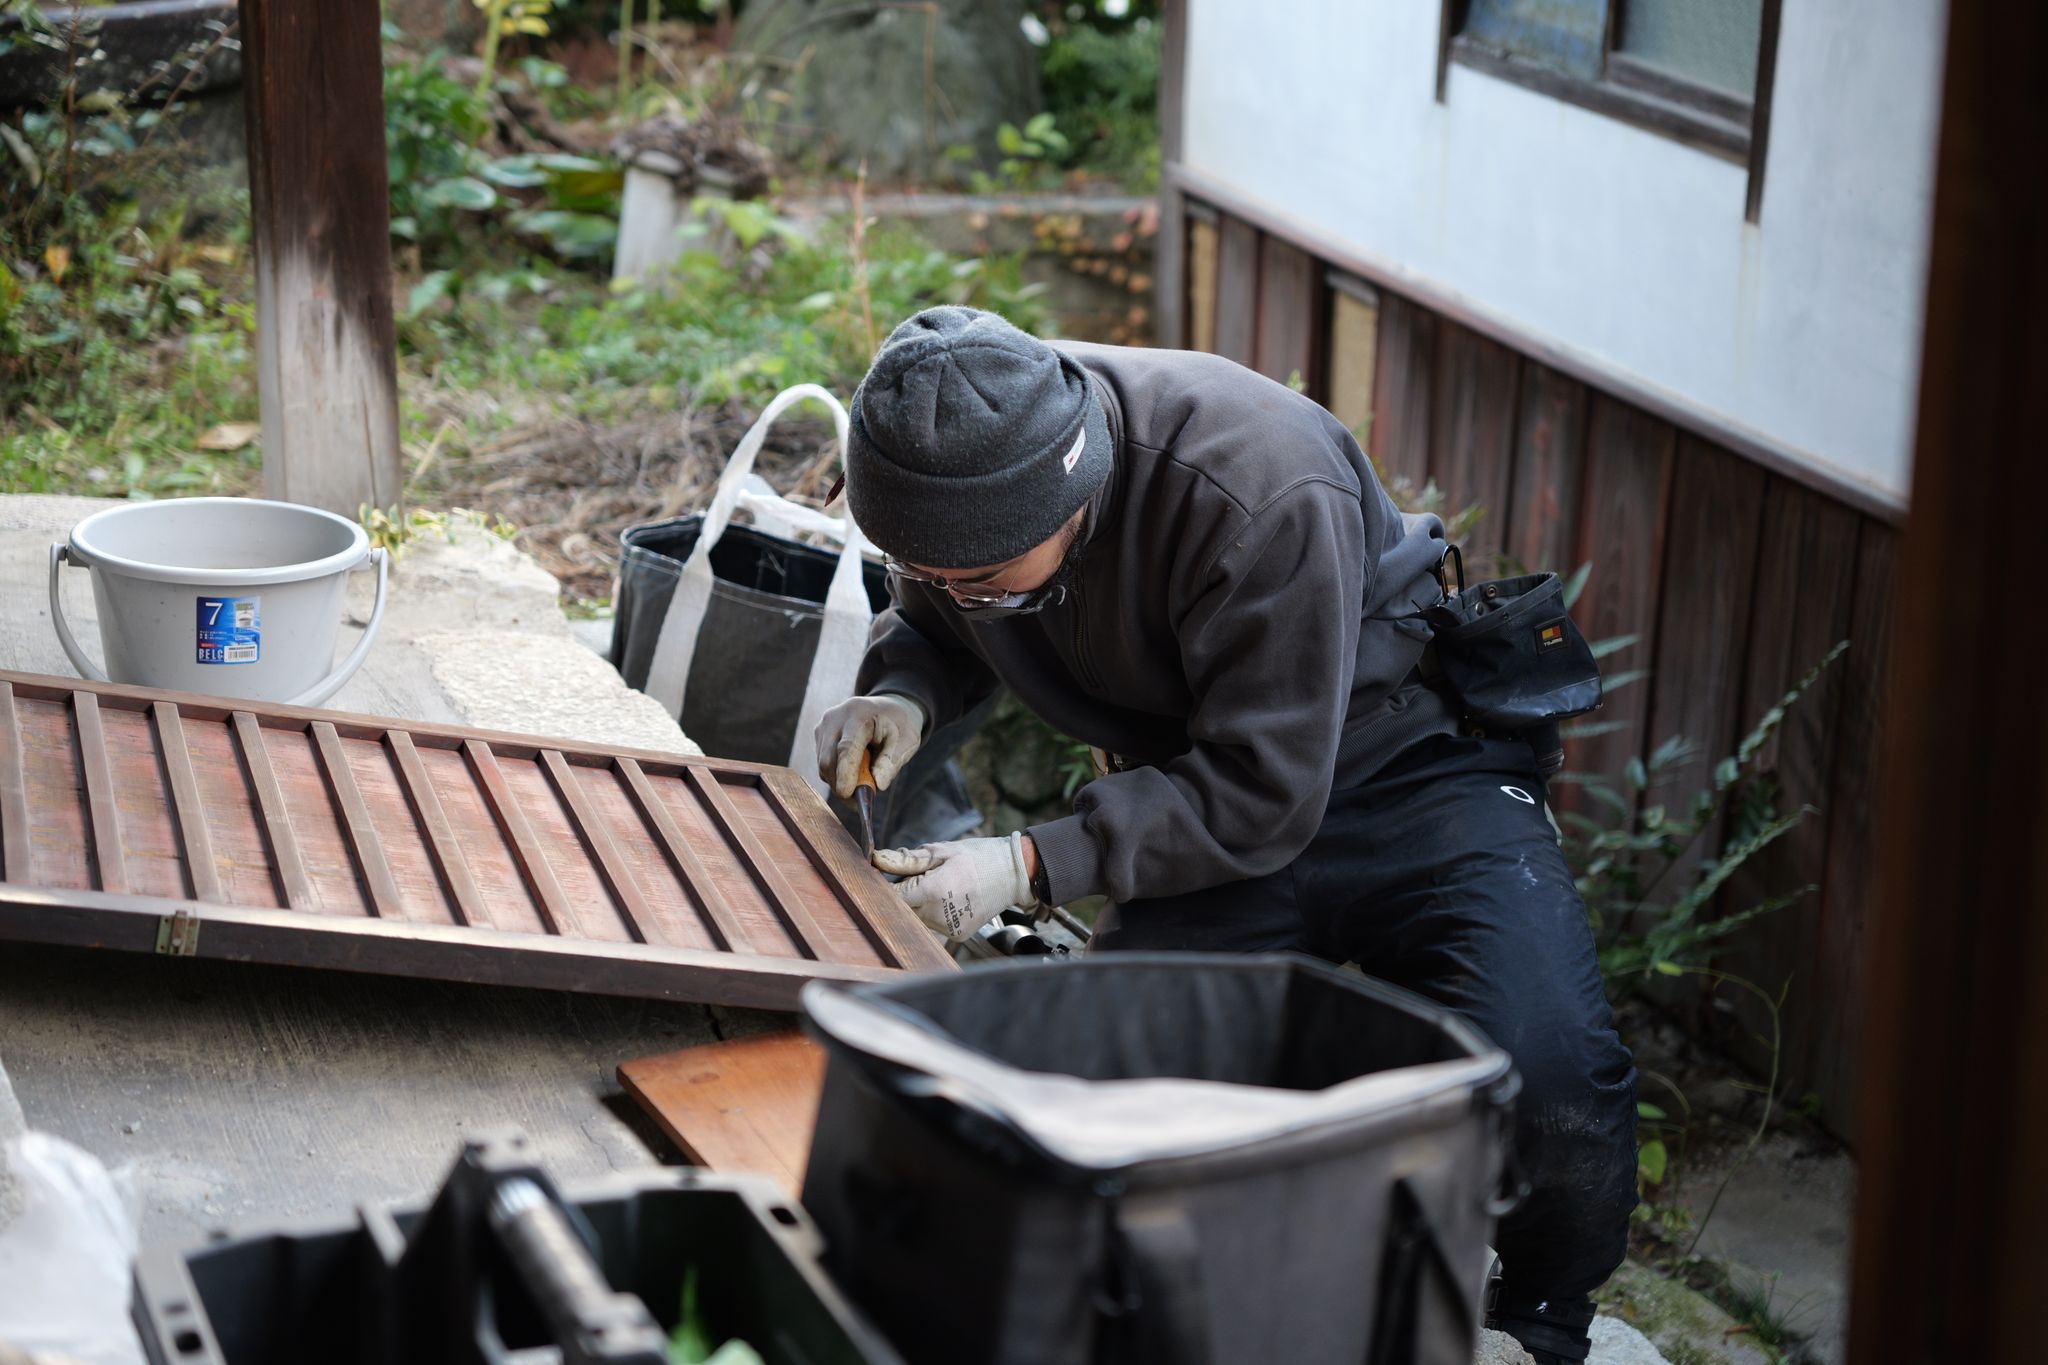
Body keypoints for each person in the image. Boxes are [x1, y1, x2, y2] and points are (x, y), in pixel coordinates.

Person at [815, 305, 1638, 1364]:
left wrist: (1027, 864)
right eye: (932, 573)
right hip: (1195, 795)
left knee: (1547, 1066)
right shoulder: (968, 474)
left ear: (1070, 493)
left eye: (977, 581)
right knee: (1101, 1097)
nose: (954, 594)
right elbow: (941, 613)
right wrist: (906, 690)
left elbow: (1264, 788)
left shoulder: (1254, 483)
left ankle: (1541, 1317)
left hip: (1406, 772)